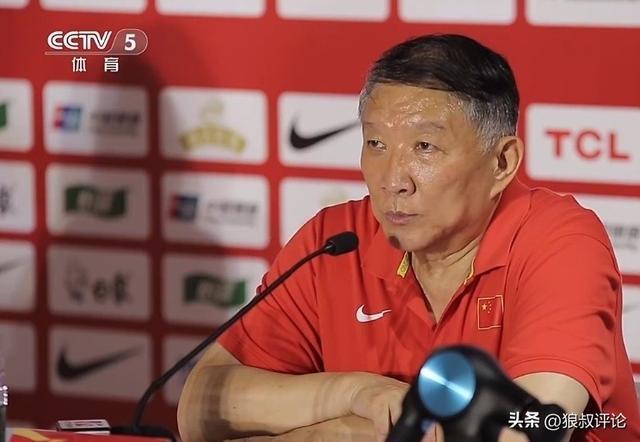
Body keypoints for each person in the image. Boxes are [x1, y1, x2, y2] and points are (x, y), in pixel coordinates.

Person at [177, 34, 640, 442]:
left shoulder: (560, 240)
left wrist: (340, 434)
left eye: (425, 147)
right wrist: (354, 395)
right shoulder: (336, 239)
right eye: (376, 144)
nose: (393, 179)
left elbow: (529, 430)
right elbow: (198, 410)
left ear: (501, 163)